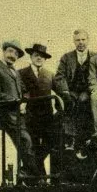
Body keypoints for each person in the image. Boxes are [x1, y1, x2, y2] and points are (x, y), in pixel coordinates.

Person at [0, 40, 40, 181]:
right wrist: (16, 102)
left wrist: (24, 103)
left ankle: (26, 173)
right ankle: (35, 177)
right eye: (10, 51)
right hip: (7, 115)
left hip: (20, 114)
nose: (12, 55)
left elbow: (24, 90)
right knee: (25, 141)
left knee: (32, 139)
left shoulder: (15, 72)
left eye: (16, 54)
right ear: (3, 51)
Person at [18, 43, 61, 178]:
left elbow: (60, 91)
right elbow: (18, 92)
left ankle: (34, 169)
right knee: (33, 145)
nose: (39, 58)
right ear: (31, 56)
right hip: (30, 116)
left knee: (51, 141)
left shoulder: (49, 75)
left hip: (47, 116)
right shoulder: (21, 73)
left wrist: (61, 107)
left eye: (42, 56)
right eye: (36, 55)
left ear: (45, 59)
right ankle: (39, 177)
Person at [54, 30, 95, 151]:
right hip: (71, 90)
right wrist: (65, 91)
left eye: (83, 40)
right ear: (74, 41)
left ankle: (84, 139)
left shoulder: (95, 56)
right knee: (69, 102)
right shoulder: (66, 57)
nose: (80, 43)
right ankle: (70, 139)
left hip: (88, 90)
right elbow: (59, 77)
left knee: (84, 101)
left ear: (88, 40)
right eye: (78, 40)